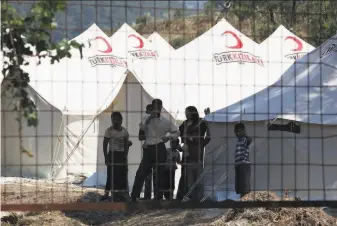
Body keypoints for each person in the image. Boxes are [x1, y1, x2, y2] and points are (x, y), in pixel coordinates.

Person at [131, 99, 180, 201]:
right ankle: (134, 196)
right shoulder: (146, 118)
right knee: (141, 173)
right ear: (152, 107)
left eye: (158, 107)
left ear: (161, 108)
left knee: (159, 174)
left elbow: (176, 132)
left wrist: (168, 137)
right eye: (154, 106)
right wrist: (149, 119)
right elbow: (141, 130)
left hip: (159, 147)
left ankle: (158, 198)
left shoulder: (166, 122)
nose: (156, 108)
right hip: (148, 149)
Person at [177, 106, 211, 201]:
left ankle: (199, 198)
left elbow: (209, 133)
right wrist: (178, 145)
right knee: (186, 177)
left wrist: (208, 116)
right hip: (186, 154)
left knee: (198, 178)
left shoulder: (200, 122)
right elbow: (177, 133)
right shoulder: (184, 124)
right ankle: (185, 196)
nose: (186, 114)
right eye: (185, 112)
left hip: (197, 155)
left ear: (193, 112)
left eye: (188, 112)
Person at [102, 112, 132, 201]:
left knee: (121, 175)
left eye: (118, 119)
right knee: (111, 175)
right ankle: (107, 194)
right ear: (111, 120)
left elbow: (126, 145)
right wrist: (106, 158)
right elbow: (104, 145)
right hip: (112, 154)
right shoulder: (109, 131)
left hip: (121, 155)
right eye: (113, 119)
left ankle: (120, 194)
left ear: (121, 120)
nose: (116, 121)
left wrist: (125, 155)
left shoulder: (125, 132)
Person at [234, 122, 252, 198]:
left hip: (244, 165)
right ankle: (242, 200)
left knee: (244, 186)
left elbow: (249, 139)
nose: (238, 133)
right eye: (236, 132)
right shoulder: (239, 140)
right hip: (238, 165)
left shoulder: (245, 139)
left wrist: (245, 135)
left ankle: (245, 200)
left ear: (244, 131)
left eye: (240, 131)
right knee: (240, 186)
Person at [139, 104, 154, 200]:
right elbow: (140, 136)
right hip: (147, 148)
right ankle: (147, 195)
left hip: (156, 149)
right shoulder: (144, 121)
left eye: (148, 110)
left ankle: (157, 196)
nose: (147, 113)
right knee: (147, 173)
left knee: (156, 173)